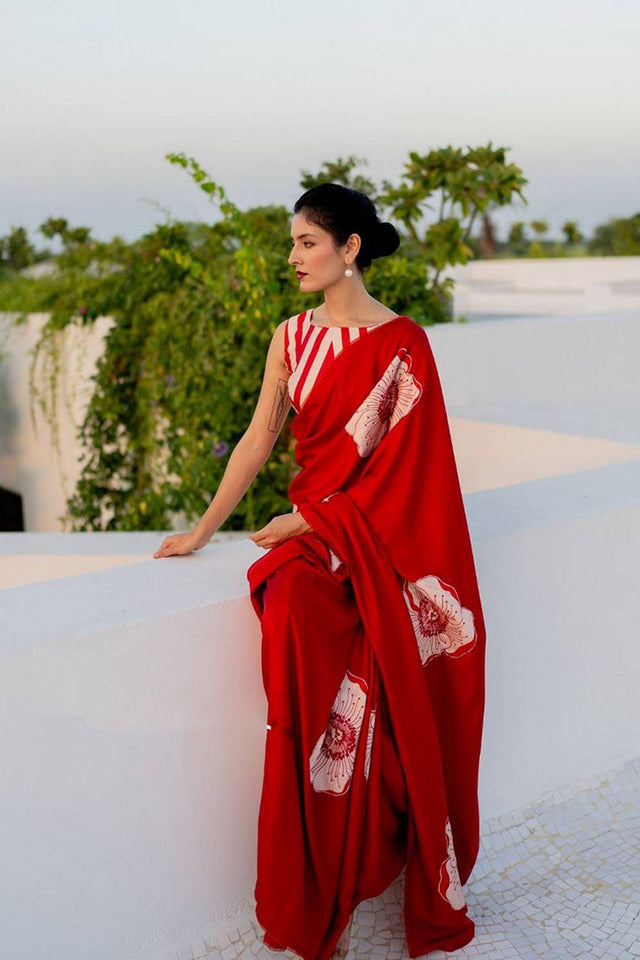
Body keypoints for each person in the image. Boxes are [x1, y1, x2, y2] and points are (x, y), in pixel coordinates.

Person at [153, 183, 487, 960]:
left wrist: (314, 518)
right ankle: (318, 862)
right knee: (294, 609)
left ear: (350, 249)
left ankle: (387, 833)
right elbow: (257, 439)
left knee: (392, 669)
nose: (294, 256)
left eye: (307, 242)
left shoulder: (404, 344)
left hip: (378, 543)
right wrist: (203, 528)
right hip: (313, 548)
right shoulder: (291, 338)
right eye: (293, 243)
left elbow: (415, 477)